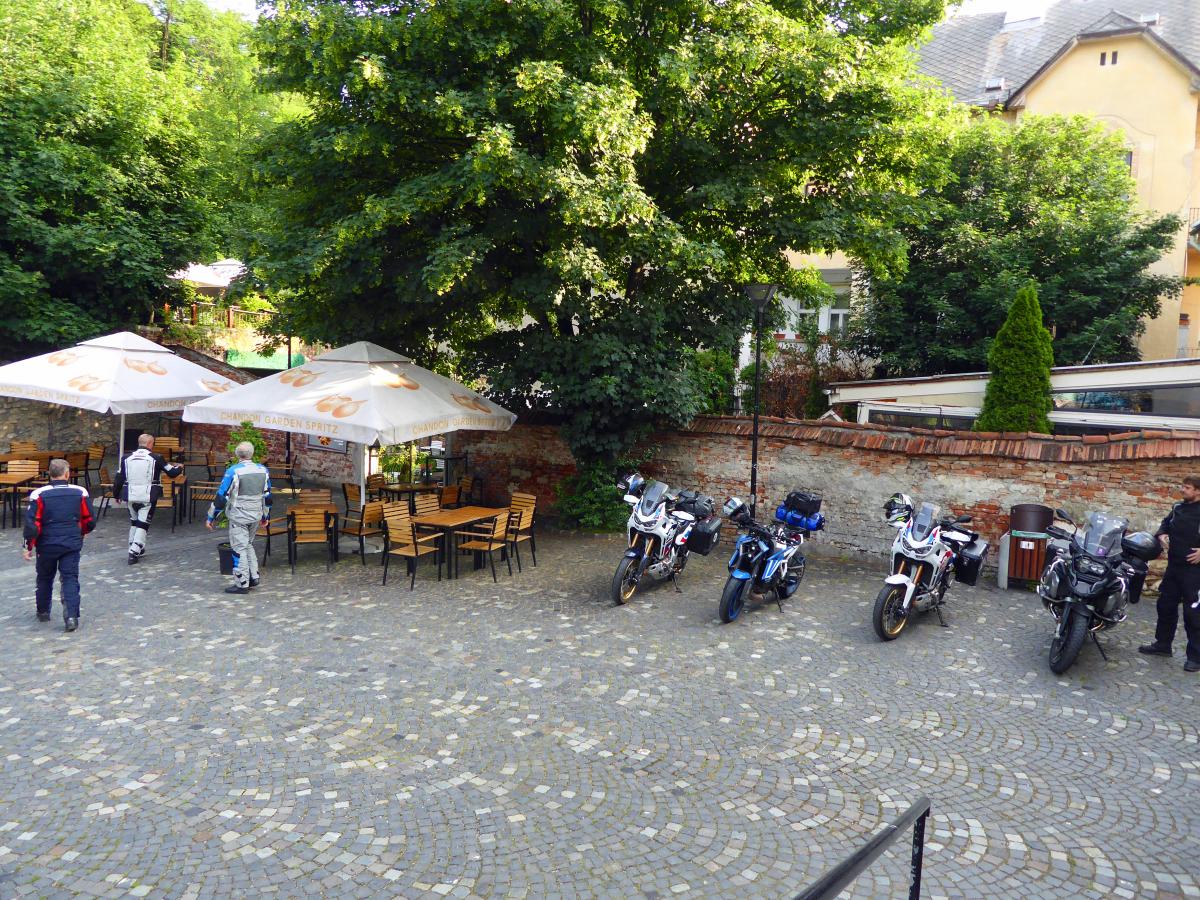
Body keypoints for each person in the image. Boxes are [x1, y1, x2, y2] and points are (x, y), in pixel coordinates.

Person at [23, 458, 96, 632]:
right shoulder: (80, 492)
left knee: (44, 577)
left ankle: (43, 611)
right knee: (70, 578)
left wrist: (28, 546)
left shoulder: (38, 494)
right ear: (67, 474)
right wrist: (82, 532)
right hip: (71, 542)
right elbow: (89, 519)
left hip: (46, 543)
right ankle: (71, 617)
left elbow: (32, 524)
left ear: (50, 474)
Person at [1140, 476, 1200, 672]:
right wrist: (1162, 534)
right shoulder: (1177, 507)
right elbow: (1166, 523)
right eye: (1183, 486)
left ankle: (1195, 657)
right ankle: (1163, 644)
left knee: (1193, 613)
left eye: (1187, 487)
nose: (1182, 490)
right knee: (1165, 605)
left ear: (1198, 491)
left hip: (1195, 572)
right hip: (1174, 566)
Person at [206, 442, 272, 594]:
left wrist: (211, 516)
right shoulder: (263, 470)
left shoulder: (233, 471)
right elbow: (268, 496)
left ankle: (242, 583)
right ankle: (253, 576)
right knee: (248, 544)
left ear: (237, 455)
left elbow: (222, 496)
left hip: (239, 515)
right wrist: (266, 515)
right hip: (256, 513)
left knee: (239, 548)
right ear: (252, 453)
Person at [112, 434, 184, 565]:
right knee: (143, 524)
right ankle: (134, 551)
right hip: (148, 495)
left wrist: (116, 495)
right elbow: (172, 473)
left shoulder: (126, 458)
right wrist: (180, 467)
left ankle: (134, 546)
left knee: (134, 522)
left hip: (130, 495)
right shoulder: (157, 458)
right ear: (150, 444)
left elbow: (118, 479)